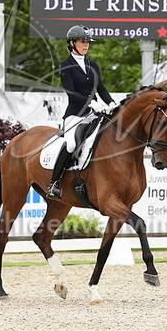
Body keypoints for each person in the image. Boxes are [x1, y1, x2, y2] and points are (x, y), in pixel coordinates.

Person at [46, 25, 116, 200]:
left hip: (94, 113)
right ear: (72, 43)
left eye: (87, 42)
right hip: (75, 115)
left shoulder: (93, 65)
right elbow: (71, 93)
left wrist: (111, 103)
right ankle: (54, 183)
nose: (86, 45)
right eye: (82, 42)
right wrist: (91, 102)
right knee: (71, 145)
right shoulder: (65, 66)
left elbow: (101, 88)